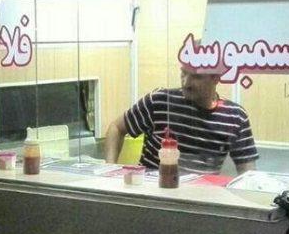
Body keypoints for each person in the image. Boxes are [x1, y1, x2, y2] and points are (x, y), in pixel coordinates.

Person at [104, 66, 258, 175]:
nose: (186, 83)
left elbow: (247, 171)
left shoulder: (235, 117)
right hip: (153, 195)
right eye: (183, 73)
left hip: (201, 199)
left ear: (216, 78)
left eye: (196, 76)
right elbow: (116, 128)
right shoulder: (160, 101)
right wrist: (109, 171)